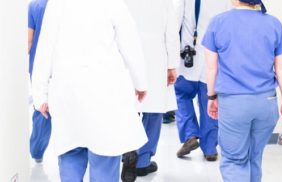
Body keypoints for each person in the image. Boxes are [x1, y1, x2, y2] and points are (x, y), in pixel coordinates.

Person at [31, 0, 148, 181]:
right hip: (104, 91)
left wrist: (39, 94)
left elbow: (45, 47)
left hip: (68, 91)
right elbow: (130, 43)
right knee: (105, 154)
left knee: (70, 152)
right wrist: (140, 83)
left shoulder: (56, 4)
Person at [202, 0, 282, 181]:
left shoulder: (218, 23)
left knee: (235, 161)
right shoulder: (273, 24)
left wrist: (211, 96)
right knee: (254, 157)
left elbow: (212, 69)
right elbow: (281, 69)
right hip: (266, 103)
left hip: (234, 104)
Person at [123, 0, 180, 178]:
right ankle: (143, 160)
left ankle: (127, 150)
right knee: (153, 110)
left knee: (127, 108)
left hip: (126, 55)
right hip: (156, 56)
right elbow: (171, 34)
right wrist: (172, 65)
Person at [174, 0, 231, 161]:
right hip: (213, 58)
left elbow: (175, 20)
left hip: (188, 57)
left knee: (180, 94)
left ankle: (190, 135)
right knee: (210, 102)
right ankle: (210, 149)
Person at [28, 0, 51, 163]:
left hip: (38, 66)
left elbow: (28, 41)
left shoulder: (34, 5)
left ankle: (37, 152)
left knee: (42, 109)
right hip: (63, 66)